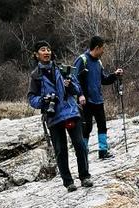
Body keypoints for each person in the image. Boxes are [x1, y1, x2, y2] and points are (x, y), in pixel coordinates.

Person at [28, 40, 93, 192]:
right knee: (60, 150)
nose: (46, 52)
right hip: (53, 115)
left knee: (80, 145)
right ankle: (68, 182)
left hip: (70, 111)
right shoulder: (35, 75)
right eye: (43, 50)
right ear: (36, 55)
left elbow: (77, 88)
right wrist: (43, 101)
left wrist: (70, 85)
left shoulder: (63, 69)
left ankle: (85, 176)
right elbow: (31, 98)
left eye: (48, 49)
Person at [74, 36, 123, 160]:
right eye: (102, 48)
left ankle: (103, 151)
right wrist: (80, 95)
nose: (103, 51)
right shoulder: (82, 60)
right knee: (87, 127)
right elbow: (74, 80)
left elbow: (104, 79)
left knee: (102, 125)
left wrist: (114, 75)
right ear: (97, 47)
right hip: (85, 101)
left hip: (98, 99)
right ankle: (83, 152)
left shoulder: (98, 62)